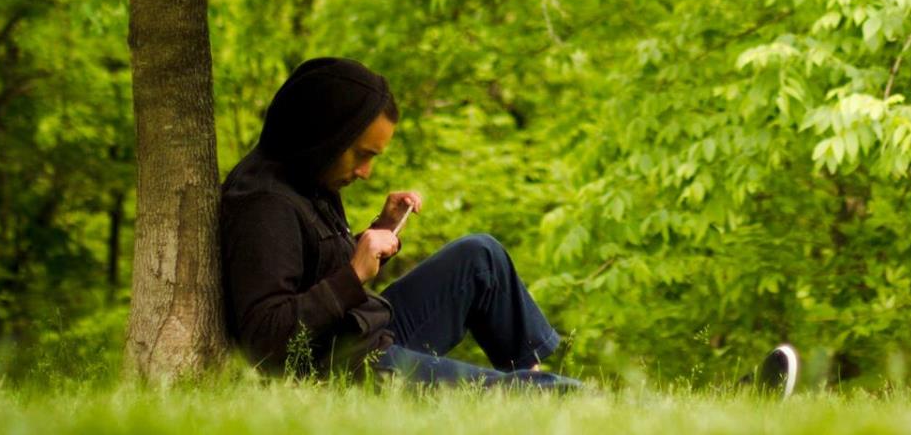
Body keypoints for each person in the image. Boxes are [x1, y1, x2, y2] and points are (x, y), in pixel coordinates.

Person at [220, 57, 798, 395]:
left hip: (365, 333)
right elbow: (270, 340)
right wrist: (354, 271)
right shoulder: (264, 203)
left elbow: (312, 272)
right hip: (346, 371)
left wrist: (379, 231)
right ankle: (721, 409)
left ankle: (530, 388)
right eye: (360, 154)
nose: (368, 171)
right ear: (321, 134)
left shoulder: (306, 176)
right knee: (532, 396)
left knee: (481, 256)